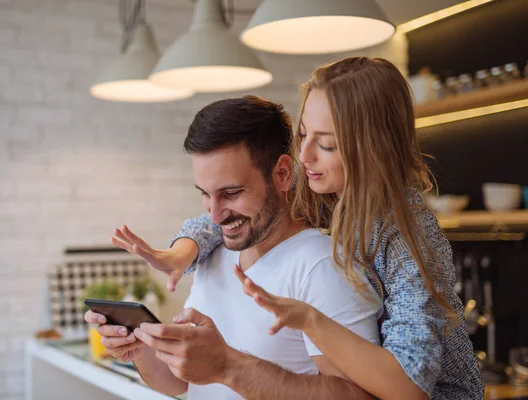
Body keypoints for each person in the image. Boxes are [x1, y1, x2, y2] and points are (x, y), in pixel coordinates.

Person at [107, 58, 484, 400]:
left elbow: (409, 388)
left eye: (328, 144)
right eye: (304, 135)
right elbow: (231, 213)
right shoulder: (319, 180)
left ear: (374, 148)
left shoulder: (408, 235)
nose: (305, 156)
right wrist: (183, 250)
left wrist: (308, 319)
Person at [86, 96, 383, 399]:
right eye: (205, 194)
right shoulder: (217, 251)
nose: (215, 215)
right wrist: (138, 348)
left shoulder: (321, 266)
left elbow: (362, 396)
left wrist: (228, 366)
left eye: (231, 193)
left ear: (282, 174)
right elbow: (182, 384)